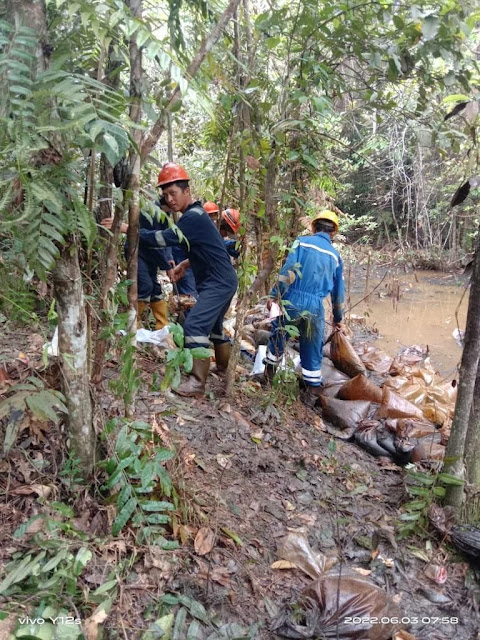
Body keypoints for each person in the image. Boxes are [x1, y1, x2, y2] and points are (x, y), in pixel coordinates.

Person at [139, 163, 238, 397]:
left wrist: (129, 230)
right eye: (165, 195)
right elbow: (209, 249)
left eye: (173, 193)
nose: (170, 199)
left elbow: (165, 239)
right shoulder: (196, 215)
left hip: (218, 282)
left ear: (186, 191)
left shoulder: (193, 217)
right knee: (213, 327)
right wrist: (185, 263)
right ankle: (223, 368)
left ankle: (196, 383)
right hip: (222, 280)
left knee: (194, 326)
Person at [265, 210, 345, 406]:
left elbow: (288, 271)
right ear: (333, 233)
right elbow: (338, 293)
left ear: (314, 226)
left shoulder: (301, 242)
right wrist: (338, 318)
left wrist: (276, 295)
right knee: (312, 346)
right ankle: (310, 394)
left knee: (279, 334)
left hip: (293, 299)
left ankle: (267, 379)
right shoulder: (335, 256)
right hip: (316, 306)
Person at [100, 208, 173, 330]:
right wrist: (167, 266)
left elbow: (165, 239)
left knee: (155, 288)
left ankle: (162, 326)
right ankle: (134, 325)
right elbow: (155, 240)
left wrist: (169, 258)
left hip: (150, 254)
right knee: (145, 286)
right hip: (138, 251)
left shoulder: (165, 214)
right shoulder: (153, 212)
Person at [158, 197, 198, 298]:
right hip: (181, 255)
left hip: (185, 259)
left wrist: (169, 258)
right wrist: (167, 262)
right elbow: (160, 240)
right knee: (188, 293)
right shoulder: (158, 215)